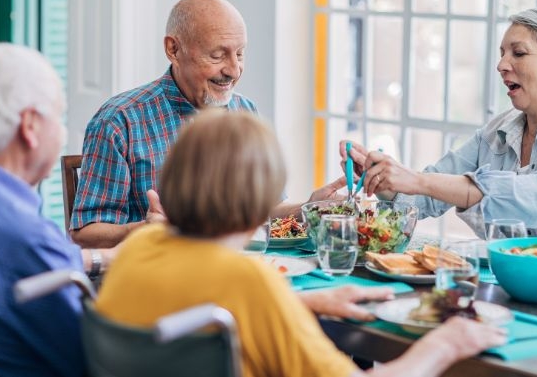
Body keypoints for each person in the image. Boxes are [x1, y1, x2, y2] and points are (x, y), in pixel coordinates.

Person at [96, 109, 506, 377]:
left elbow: (203, 308)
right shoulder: (246, 279)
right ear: (262, 198)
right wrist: (444, 344)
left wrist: (300, 302)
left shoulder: (140, 246)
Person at [71, 0, 344, 248]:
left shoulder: (245, 112)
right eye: (217, 55)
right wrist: (145, 230)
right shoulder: (119, 121)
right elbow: (83, 235)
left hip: (235, 275)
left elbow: (262, 222)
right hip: (159, 280)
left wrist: (307, 212)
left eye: (240, 54)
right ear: (173, 49)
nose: (234, 70)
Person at [344, 7, 537, 243]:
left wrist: (417, 180)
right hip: (518, 286)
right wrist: (381, 178)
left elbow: (535, 198)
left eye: (519, 53)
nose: (502, 64)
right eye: (503, 53)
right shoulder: (499, 130)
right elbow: (426, 196)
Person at [0, 43, 117, 377]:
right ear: (30, 126)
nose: (63, 132)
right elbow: (96, 363)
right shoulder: (24, 239)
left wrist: (105, 257)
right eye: (60, 116)